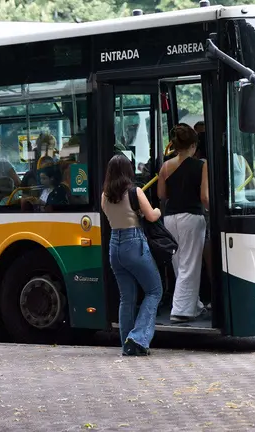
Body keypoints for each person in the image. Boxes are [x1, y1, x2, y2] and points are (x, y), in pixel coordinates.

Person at [102, 154, 163, 356]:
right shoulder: (134, 192)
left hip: (114, 246)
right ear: (128, 170)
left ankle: (126, 342)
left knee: (126, 298)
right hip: (133, 243)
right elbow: (152, 216)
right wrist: (158, 210)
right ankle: (137, 338)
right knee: (154, 290)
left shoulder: (104, 196)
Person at [158, 124, 209, 323]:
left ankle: (194, 304)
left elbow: (162, 195)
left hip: (170, 218)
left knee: (179, 262)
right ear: (194, 145)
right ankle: (180, 310)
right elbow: (204, 196)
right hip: (192, 217)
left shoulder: (165, 166)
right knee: (190, 264)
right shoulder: (201, 165)